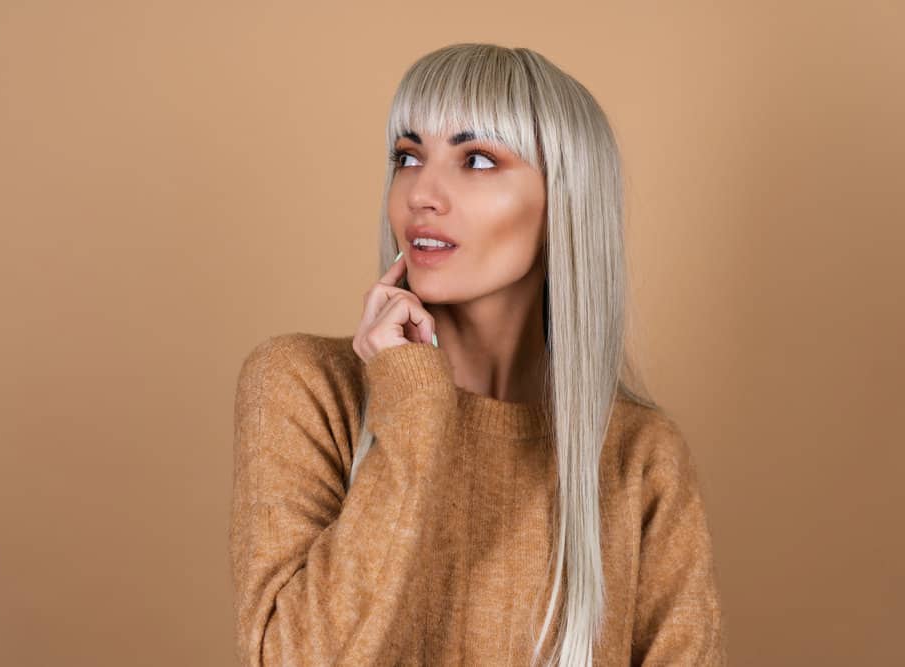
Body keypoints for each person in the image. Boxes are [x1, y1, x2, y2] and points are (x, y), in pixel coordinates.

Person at [230, 43, 727, 666]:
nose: (422, 194)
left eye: (479, 159)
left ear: (563, 206)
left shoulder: (638, 457)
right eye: (408, 156)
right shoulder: (303, 386)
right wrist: (410, 404)